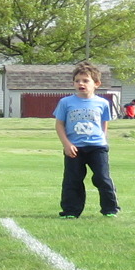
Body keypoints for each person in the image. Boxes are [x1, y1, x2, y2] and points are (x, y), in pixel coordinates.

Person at [53, 61, 119, 219]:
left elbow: (104, 122)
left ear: (96, 84)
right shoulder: (66, 102)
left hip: (97, 147)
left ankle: (110, 208)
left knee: (102, 178)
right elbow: (59, 124)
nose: (81, 84)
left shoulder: (102, 103)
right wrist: (67, 144)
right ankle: (70, 211)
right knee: (72, 180)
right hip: (75, 147)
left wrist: (103, 139)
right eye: (77, 81)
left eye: (85, 80)